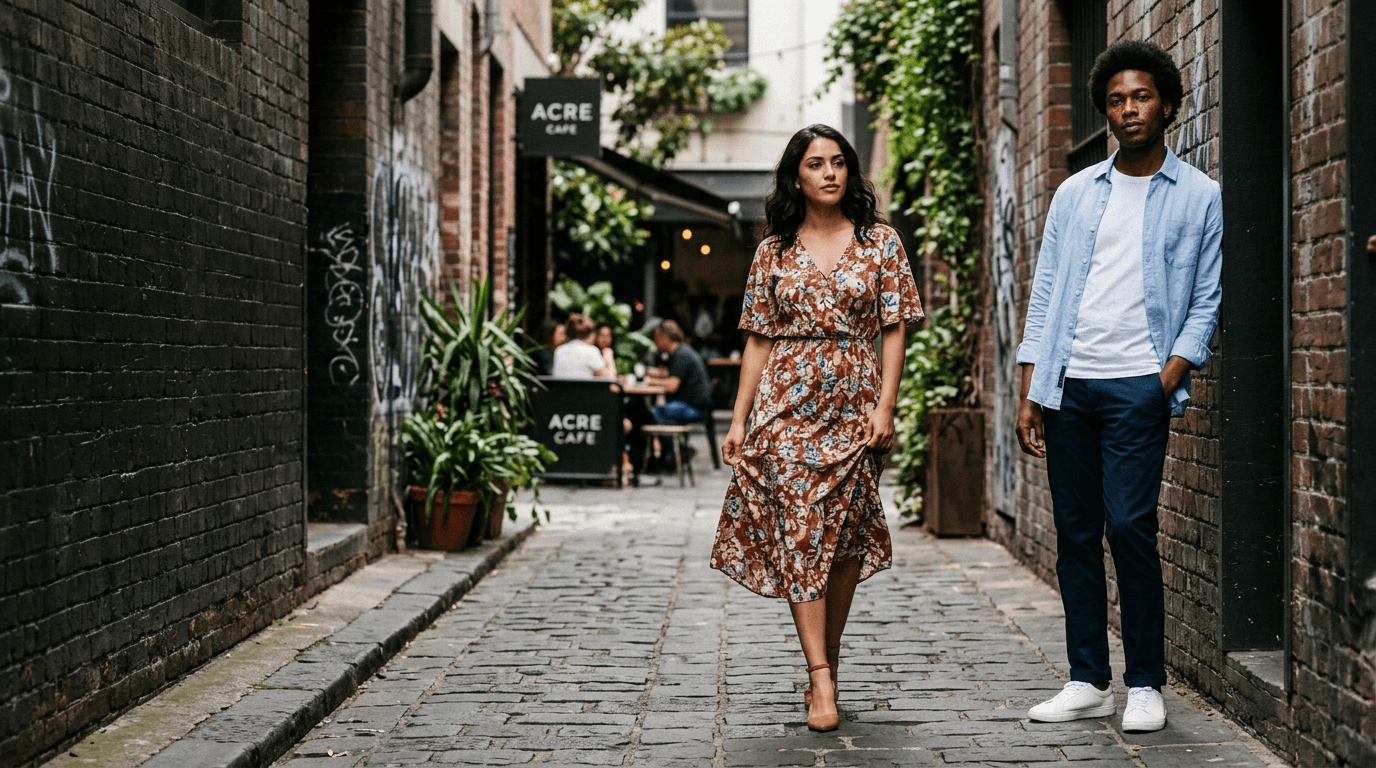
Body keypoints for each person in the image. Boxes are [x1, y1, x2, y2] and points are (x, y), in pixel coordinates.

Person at [1016, 41, 1221, 733]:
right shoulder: (1076, 194)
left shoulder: (1199, 197)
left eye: (1140, 97)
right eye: (1115, 101)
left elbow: (1206, 302)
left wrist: (1163, 382)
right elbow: (1044, 295)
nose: (1128, 110)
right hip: (1070, 385)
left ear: (1165, 102)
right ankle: (1086, 680)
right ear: (1105, 112)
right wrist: (1031, 388)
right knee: (1075, 535)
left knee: (1129, 528)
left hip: (1140, 387)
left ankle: (1145, 683)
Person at [710, 124, 922, 732]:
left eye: (837, 163)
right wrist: (740, 418)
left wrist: (885, 406)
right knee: (802, 529)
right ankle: (821, 678)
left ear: (849, 173)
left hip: (856, 405)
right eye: (815, 164)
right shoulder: (773, 250)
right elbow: (756, 337)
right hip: (787, 404)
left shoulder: (881, 243)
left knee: (845, 539)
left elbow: (894, 329)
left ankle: (824, 659)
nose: (828, 173)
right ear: (795, 177)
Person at [645, 320, 712, 424]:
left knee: (652, 412)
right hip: (693, 404)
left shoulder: (681, 354)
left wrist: (649, 381)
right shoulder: (681, 351)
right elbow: (669, 374)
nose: (655, 343)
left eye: (656, 339)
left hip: (695, 407)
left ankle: (668, 440)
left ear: (664, 337)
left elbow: (672, 386)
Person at [552, 314, 616, 379]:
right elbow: (610, 381)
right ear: (590, 334)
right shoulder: (591, 351)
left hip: (562, 389)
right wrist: (609, 357)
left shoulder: (559, 350)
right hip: (583, 389)